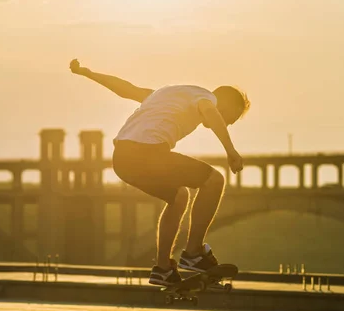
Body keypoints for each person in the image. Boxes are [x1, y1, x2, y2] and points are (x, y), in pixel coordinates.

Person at [70, 59, 250, 286]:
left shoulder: (165, 95)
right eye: (230, 118)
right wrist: (230, 150)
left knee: (179, 196)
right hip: (148, 153)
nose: (227, 124)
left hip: (122, 159)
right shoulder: (207, 98)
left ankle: (162, 268)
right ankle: (193, 253)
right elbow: (209, 110)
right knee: (215, 180)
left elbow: (125, 89)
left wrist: (87, 73)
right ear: (224, 103)